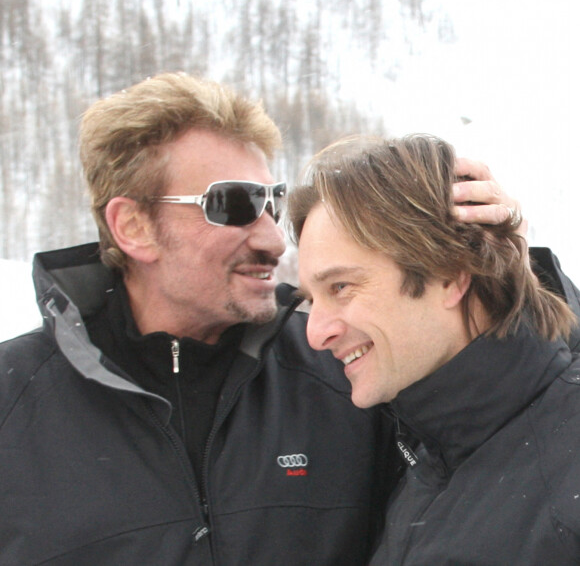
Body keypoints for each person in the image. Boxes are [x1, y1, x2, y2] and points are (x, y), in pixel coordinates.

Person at [0, 73, 570, 566]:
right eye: (233, 205)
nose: (274, 239)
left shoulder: (342, 371)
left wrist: (502, 265)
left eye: (271, 202)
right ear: (134, 227)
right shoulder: (13, 404)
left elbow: (502, 406)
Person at [289, 133, 580, 564]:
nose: (315, 334)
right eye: (312, 300)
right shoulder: (423, 452)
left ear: (451, 274)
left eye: (341, 287)